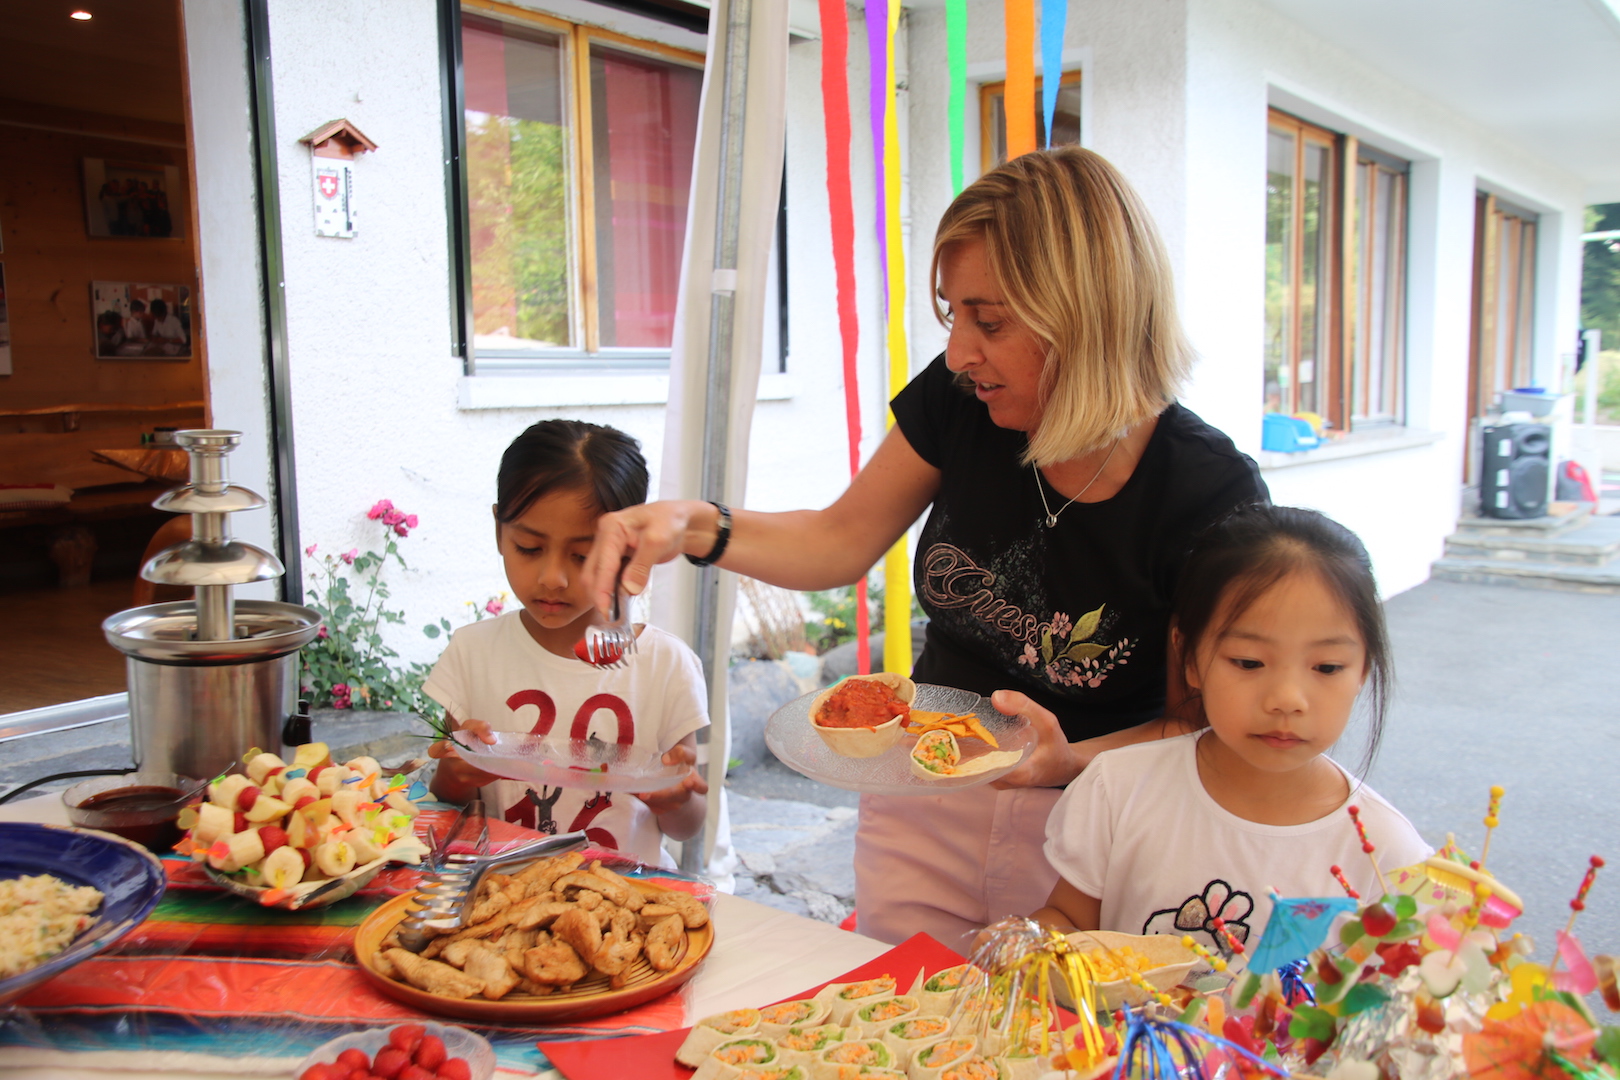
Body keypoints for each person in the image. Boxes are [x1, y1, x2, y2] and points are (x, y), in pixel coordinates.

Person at [582, 147, 1266, 951]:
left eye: (990, 322)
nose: (959, 354)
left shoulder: (1207, 492)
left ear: (1089, 314)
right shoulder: (963, 402)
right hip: (924, 798)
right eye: (953, 316)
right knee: (899, 1006)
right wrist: (693, 526)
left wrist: (1069, 759)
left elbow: (1206, 720)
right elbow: (839, 539)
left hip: (1096, 829)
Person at [1032, 505, 1430, 956]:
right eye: (1248, 662)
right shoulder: (1118, 787)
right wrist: (1025, 944)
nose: (1287, 699)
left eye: (1327, 667)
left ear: (1363, 671)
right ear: (1189, 657)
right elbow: (1068, 919)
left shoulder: (1385, 854)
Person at [426, 419, 710, 869]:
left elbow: (686, 826)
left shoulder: (664, 665)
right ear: (500, 531)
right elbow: (445, 807)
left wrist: (675, 799)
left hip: (625, 896)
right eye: (528, 547)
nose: (552, 578)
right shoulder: (473, 654)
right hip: (504, 892)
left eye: (582, 555)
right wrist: (454, 776)